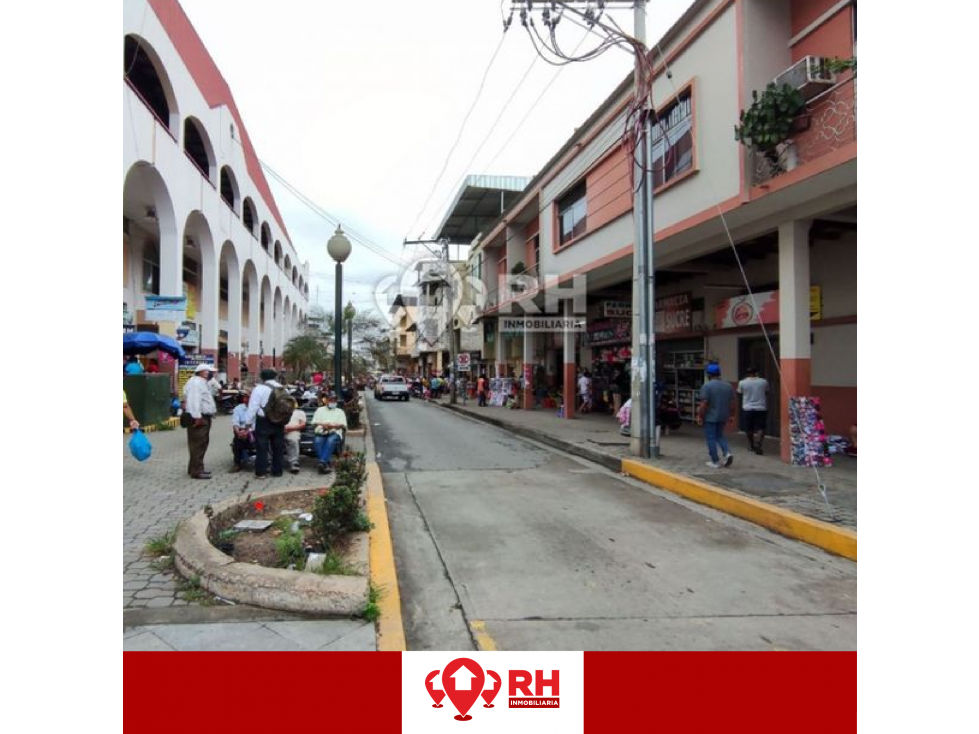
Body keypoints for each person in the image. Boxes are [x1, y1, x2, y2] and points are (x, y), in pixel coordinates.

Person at [246, 368, 287, 479]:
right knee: (278, 447)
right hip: (279, 421)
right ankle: (277, 471)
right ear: (274, 376)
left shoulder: (259, 389)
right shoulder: (282, 388)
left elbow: (253, 407)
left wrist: (248, 423)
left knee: (262, 447)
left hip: (263, 421)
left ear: (262, 377)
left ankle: (261, 472)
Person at [697, 362, 737, 469]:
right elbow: (732, 403)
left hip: (710, 417)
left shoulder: (707, 386)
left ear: (708, 374)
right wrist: (732, 415)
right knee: (720, 435)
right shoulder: (728, 386)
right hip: (723, 416)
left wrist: (700, 416)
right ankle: (727, 453)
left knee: (711, 438)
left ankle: (715, 461)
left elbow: (704, 403)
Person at [183, 363, 217, 479]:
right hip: (199, 417)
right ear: (203, 372)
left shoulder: (200, 382)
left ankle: (194, 468)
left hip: (202, 416)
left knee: (199, 443)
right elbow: (194, 401)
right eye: (209, 371)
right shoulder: (196, 383)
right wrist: (197, 417)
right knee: (198, 443)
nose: (211, 373)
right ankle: (197, 471)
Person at [311, 392, 348, 474]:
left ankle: (322, 462)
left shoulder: (340, 411)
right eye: (330, 400)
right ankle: (326, 463)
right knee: (317, 441)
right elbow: (314, 422)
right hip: (321, 431)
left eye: (334, 400)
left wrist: (333, 426)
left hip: (334, 432)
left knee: (331, 440)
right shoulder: (320, 410)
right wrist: (323, 425)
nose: (332, 402)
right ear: (326, 401)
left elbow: (343, 425)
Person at [738, 366, 770, 455]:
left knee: (748, 428)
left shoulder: (742, 382)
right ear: (756, 373)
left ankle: (751, 445)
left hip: (747, 408)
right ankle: (759, 443)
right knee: (761, 427)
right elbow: (767, 392)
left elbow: (740, 393)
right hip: (761, 407)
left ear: (747, 374)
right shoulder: (764, 382)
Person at [229, 391, 254, 473]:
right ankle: (237, 464)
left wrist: (247, 432)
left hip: (253, 431)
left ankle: (243, 460)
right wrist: (238, 431)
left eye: (248, 397)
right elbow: (235, 422)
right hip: (241, 430)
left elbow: (255, 424)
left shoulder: (256, 409)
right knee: (238, 438)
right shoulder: (238, 408)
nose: (246, 399)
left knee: (246, 436)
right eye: (245, 397)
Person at [283, 397, 307, 474]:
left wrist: (290, 428)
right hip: (280, 431)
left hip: (293, 431)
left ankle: (294, 463)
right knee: (270, 439)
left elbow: (302, 425)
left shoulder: (300, 412)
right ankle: (271, 462)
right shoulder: (281, 412)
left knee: (293, 440)